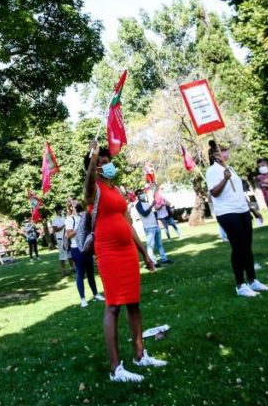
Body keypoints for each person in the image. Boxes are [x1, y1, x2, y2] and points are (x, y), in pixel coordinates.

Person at [84, 142, 166, 383]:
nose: (107, 164)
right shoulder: (93, 190)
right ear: (94, 168)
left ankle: (140, 355)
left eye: (107, 160)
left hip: (127, 250)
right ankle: (115, 369)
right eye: (101, 162)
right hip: (108, 251)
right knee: (113, 306)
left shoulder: (116, 189)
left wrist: (145, 253)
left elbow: (128, 223)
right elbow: (88, 181)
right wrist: (92, 158)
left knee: (133, 303)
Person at [206, 141, 268, 298]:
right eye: (223, 150)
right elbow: (214, 193)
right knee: (238, 247)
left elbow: (239, 193)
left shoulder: (231, 169)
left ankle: (253, 280)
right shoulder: (212, 171)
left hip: (242, 210)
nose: (226, 152)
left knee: (247, 246)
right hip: (227, 212)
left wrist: (252, 210)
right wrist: (224, 179)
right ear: (215, 155)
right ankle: (240, 285)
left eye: (226, 150)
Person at [66, 203, 104, 307]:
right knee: (80, 273)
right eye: (74, 204)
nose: (76, 204)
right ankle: (82, 298)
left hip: (86, 247)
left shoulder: (84, 216)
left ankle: (95, 294)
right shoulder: (70, 219)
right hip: (76, 249)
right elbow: (68, 235)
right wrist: (79, 229)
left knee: (91, 272)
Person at [135, 190, 172, 267]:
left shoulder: (146, 202)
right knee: (150, 245)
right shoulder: (138, 205)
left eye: (142, 192)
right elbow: (144, 214)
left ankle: (164, 259)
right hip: (149, 228)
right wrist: (151, 206)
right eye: (139, 194)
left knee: (159, 244)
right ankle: (153, 262)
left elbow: (151, 213)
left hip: (155, 226)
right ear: (137, 196)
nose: (142, 194)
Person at [52, 206, 72, 275]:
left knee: (70, 253)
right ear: (57, 211)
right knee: (62, 254)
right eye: (60, 210)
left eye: (61, 210)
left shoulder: (64, 217)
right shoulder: (54, 220)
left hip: (67, 237)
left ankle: (72, 267)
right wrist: (63, 226)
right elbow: (55, 230)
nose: (62, 211)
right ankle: (63, 270)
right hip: (60, 238)